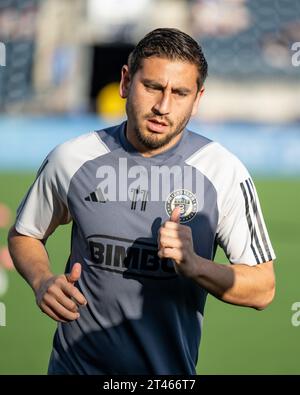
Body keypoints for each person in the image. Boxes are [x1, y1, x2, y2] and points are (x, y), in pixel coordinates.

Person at [8, 28, 276, 375]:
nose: (163, 106)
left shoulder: (223, 172)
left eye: (180, 93)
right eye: (152, 87)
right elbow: (25, 233)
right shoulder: (71, 158)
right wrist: (42, 280)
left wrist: (196, 265)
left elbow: (263, 288)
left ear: (197, 99)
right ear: (125, 82)